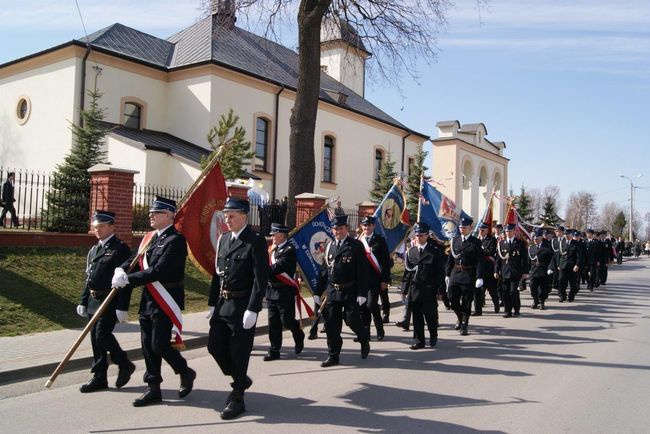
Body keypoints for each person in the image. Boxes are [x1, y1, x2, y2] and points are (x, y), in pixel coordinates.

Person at [112, 196, 196, 407]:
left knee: (159, 345)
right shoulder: (151, 238)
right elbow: (135, 260)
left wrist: (128, 280)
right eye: (151, 212)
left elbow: (159, 270)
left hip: (166, 300)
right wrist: (121, 268)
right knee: (147, 347)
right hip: (149, 300)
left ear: (168, 215)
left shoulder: (176, 240)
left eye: (155, 213)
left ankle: (185, 371)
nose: (151, 215)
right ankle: (153, 388)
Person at [206, 197, 269, 420]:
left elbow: (260, 279)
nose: (227, 219)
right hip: (223, 305)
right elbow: (217, 275)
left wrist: (253, 308)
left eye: (231, 215)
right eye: (225, 215)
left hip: (242, 307)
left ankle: (238, 397)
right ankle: (240, 379)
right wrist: (212, 303)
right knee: (214, 346)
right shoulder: (224, 239)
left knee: (239, 352)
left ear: (244, 216)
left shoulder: (256, 242)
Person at [76, 210, 134, 393]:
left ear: (111, 226)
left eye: (101, 226)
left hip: (110, 300)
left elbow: (125, 279)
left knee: (102, 335)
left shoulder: (120, 249)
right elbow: (89, 278)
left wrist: (122, 307)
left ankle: (124, 363)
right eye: (95, 227)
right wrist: (83, 300)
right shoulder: (94, 250)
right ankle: (99, 377)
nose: (98, 230)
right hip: (94, 300)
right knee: (95, 340)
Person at [316, 214, 370, 367]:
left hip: (350, 290)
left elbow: (363, 271)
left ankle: (364, 337)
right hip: (333, 291)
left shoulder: (355, 245)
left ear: (346, 228)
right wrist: (316, 292)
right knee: (332, 325)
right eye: (335, 228)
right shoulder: (329, 246)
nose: (337, 231)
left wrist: (362, 293)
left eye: (340, 228)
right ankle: (333, 355)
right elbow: (324, 271)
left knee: (352, 320)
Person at [264, 223, 305, 361]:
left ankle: (298, 334)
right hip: (271, 291)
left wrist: (259, 268)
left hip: (284, 291)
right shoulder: (272, 249)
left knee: (286, 321)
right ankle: (274, 350)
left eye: (274, 234)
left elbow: (277, 268)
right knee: (273, 322)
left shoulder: (289, 250)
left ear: (281, 235)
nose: (272, 237)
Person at [401, 222, 444, 349]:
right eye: (417, 235)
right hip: (415, 290)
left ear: (427, 235)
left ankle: (433, 335)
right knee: (417, 317)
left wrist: (440, 290)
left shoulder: (434, 252)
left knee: (430, 317)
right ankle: (420, 341)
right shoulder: (411, 252)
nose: (418, 237)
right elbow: (407, 272)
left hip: (429, 290)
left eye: (421, 235)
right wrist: (404, 289)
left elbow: (439, 273)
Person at [445, 217, 483, 335]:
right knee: (452, 298)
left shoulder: (475, 242)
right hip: (456, 273)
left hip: (469, 274)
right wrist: (447, 274)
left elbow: (480, 261)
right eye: (460, 227)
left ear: (470, 228)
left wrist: (479, 276)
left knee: (467, 301)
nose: (462, 229)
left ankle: (464, 324)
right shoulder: (454, 240)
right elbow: (451, 259)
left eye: (464, 227)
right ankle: (460, 317)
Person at [357, 216, 391, 341]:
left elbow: (386, 262)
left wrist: (385, 280)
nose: (367, 228)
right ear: (362, 227)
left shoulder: (380, 241)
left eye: (369, 225)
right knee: (362, 306)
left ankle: (379, 329)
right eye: (365, 226)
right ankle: (366, 332)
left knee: (372, 304)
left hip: (374, 280)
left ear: (374, 226)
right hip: (360, 280)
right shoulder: (358, 241)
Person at [495, 224, 528, 317]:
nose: (508, 233)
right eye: (506, 231)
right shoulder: (501, 243)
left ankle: (516, 309)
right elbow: (498, 259)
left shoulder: (520, 243)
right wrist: (496, 271)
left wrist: (525, 272)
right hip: (505, 271)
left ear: (514, 232)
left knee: (513, 292)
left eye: (510, 231)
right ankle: (508, 311)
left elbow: (524, 259)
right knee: (505, 292)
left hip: (515, 272)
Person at [475, 222, 499, 315]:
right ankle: (478, 310)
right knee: (479, 291)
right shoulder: (476, 240)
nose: (480, 231)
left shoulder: (491, 240)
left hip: (488, 269)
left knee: (492, 290)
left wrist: (480, 250)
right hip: (478, 270)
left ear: (487, 230)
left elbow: (490, 251)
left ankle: (496, 305)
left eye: (482, 230)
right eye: (480, 230)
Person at [527, 229, 553, 310]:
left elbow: (552, 259)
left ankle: (542, 302)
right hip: (534, 270)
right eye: (534, 238)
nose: (535, 239)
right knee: (532, 287)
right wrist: (525, 271)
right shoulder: (531, 248)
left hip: (544, 270)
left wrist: (550, 268)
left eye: (537, 238)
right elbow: (528, 260)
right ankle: (535, 300)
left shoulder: (547, 247)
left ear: (541, 237)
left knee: (543, 288)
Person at [558, 230, 582, 302]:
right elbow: (559, 255)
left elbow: (579, 256)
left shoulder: (576, 243)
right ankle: (562, 295)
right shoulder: (562, 243)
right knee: (561, 280)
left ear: (571, 235)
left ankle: (571, 296)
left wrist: (577, 265)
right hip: (563, 265)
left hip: (572, 266)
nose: (566, 236)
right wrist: (558, 264)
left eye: (567, 234)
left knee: (573, 283)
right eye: (565, 234)